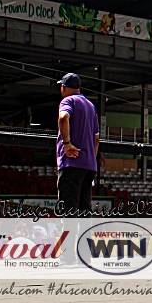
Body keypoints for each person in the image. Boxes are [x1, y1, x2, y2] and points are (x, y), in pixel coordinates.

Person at [56, 72, 99, 215]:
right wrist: (90, 159)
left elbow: (63, 118)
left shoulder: (68, 101)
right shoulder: (91, 106)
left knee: (68, 210)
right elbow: (96, 138)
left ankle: (68, 238)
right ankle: (84, 238)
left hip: (72, 164)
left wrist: (67, 143)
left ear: (63, 87)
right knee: (84, 211)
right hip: (89, 166)